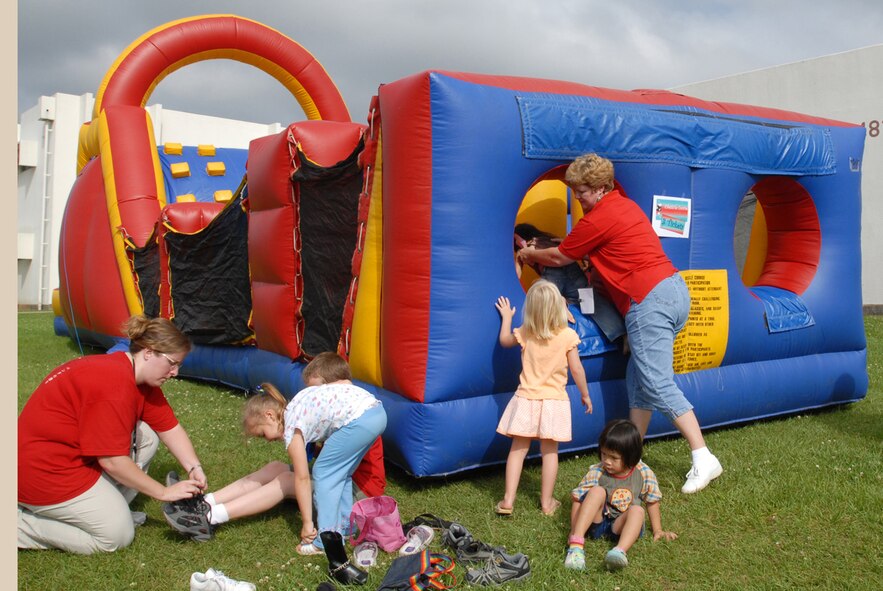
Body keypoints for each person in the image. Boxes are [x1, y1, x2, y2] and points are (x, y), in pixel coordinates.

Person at [517, 153, 723, 494]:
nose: (577, 198)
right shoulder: (624, 206)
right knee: (639, 381)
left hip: (649, 300)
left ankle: (703, 456)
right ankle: (632, 458)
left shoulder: (600, 217)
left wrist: (528, 255)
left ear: (600, 189)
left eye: (581, 191)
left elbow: (560, 256)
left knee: (656, 382)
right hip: (673, 290)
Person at [18, 315, 207, 554]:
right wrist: (164, 492)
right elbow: (112, 461)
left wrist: (194, 467)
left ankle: (105, 508)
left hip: (66, 461)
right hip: (43, 472)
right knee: (116, 537)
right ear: (148, 352)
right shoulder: (114, 384)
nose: (175, 372)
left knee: (146, 436)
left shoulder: (137, 378)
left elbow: (170, 429)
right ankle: (17, 524)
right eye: (172, 363)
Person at [166, 352, 387, 555]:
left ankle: (209, 518)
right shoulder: (331, 412)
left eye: (263, 434)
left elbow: (310, 476)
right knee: (277, 467)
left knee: (292, 479)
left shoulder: (350, 418)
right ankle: (205, 502)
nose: (268, 440)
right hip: (345, 480)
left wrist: (308, 523)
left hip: (361, 495)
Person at [494, 279, 592, 516]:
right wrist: (585, 394)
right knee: (550, 453)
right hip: (554, 401)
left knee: (518, 450)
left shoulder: (527, 332)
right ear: (558, 308)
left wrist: (507, 317)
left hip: (526, 399)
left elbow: (504, 341)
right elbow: (577, 369)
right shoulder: (567, 335)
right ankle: (547, 503)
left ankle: (508, 500)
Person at [565, 419, 676, 571]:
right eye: (604, 454)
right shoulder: (598, 472)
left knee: (638, 510)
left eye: (614, 458)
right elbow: (577, 499)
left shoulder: (643, 473)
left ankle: (619, 551)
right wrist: (573, 530)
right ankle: (576, 546)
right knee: (597, 491)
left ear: (631, 456)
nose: (607, 461)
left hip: (623, 526)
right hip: (599, 522)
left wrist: (658, 530)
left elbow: (652, 500)